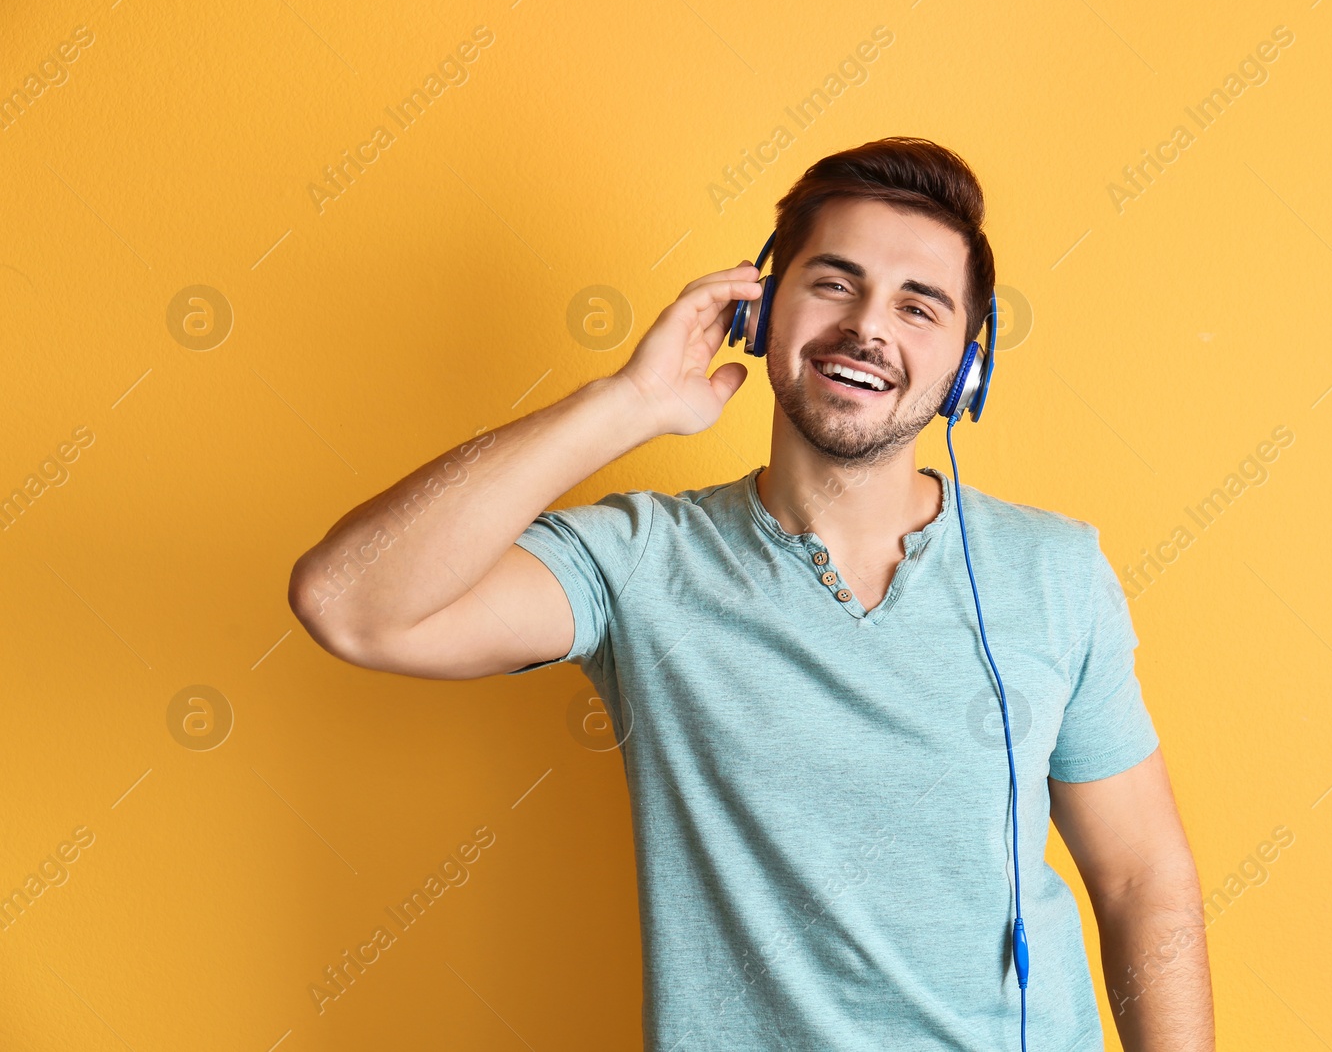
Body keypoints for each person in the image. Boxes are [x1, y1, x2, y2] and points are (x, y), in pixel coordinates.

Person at [288, 136, 1214, 1051]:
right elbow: (350, 602)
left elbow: (1141, 878)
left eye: (918, 305)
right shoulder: (641, 562)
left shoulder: (1053, 570)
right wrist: (628, 403)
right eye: (834, 282)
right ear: (759, 311)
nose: (869, 327)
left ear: (968, 366)